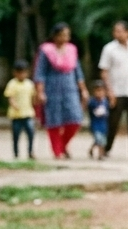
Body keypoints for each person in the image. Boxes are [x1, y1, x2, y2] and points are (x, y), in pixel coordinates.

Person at [34, 23, 88, 159]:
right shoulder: (46, 50)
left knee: (75, 119)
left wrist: (83, 89)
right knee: (54, 121)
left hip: (70, 88)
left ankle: (63, 145)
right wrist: (40, 91)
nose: (65, 38)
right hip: (52, 88)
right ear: (55, 36)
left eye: (67, 35)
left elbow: (78, 72)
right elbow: (40, 72)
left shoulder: (72, 50)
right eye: (63, 35)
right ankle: (57, 151)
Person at [98, 20, 128, 159]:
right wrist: (109, 91)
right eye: (115, 31)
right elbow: (104, 72)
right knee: (113, 122)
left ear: (127, 32)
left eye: (120, 31)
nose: (117, 34)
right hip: (117, 91)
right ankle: (106, 148)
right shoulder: (109, 49)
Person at [3, 60, 36, 159]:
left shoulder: (29, 84)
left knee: (31, 133)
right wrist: (14, 105)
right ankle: (16, 153)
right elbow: (10, 97)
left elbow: (33, 97)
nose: (21, 75)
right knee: (16, 135)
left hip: (28, 113)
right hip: (16, 115)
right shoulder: (12, 84)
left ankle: (30, 151)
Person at [87, 80, 110, 159]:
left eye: (101, 91)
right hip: (95, 124)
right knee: (99, 139)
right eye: (97, 91)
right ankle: (100, 154)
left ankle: (92, 149)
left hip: (103, 125)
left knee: (102, 140)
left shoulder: (105, 101)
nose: (99, 93)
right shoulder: (92, 102)